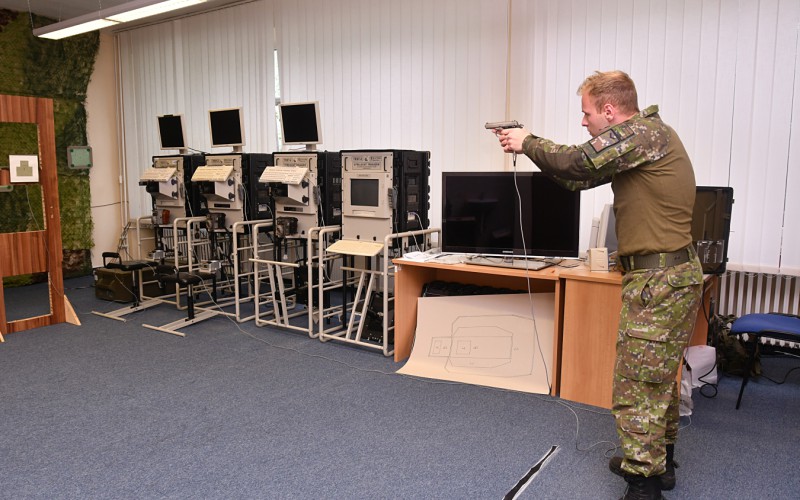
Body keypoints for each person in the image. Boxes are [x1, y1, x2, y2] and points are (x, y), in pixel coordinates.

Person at [496, 70, 703, 500]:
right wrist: (534, 150)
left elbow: (577, 161)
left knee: (638, 381)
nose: (584, 122)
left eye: (587, 113)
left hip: (659, 282)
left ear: (609, 111)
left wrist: (527, 140)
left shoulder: (641, 133)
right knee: (658, 378)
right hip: (670, 277)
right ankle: (655, 462)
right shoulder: (646, 140)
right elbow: (577, 178)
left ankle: (643, 483)